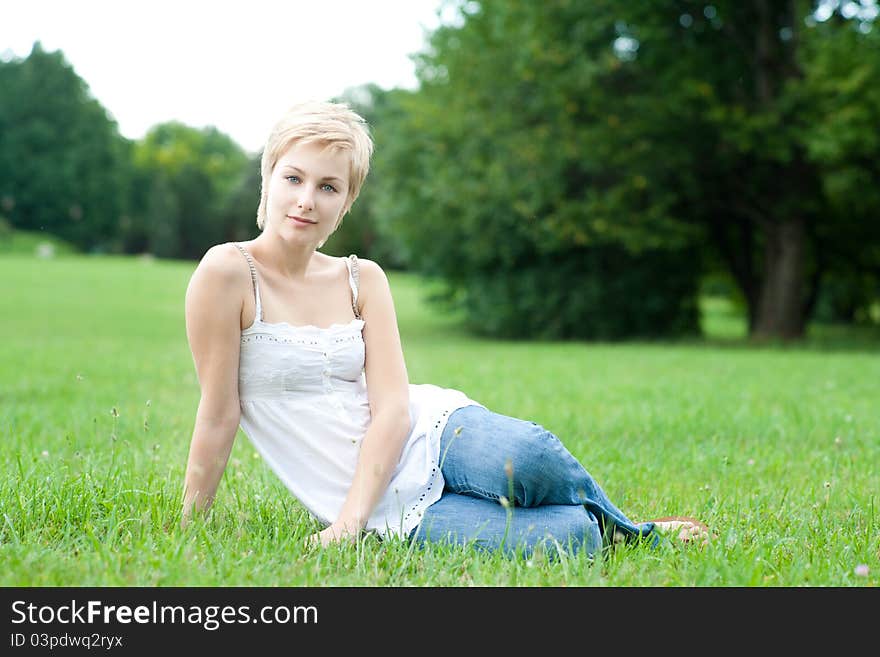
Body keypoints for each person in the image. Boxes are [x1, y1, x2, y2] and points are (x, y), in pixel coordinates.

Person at [180, 100, 708, 559]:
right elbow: (219, 412)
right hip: (379, 501)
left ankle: (633, 531)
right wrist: (193, 525)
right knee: (567, 539)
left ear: (346, 202)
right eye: (293, 178)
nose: (306, 199)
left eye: (328, 186)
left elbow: (391, 407)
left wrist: (347, 525)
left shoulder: (363, 279)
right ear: (268, 177)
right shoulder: (228, 273)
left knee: (530, 460)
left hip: (429, 433)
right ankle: (600, 532)